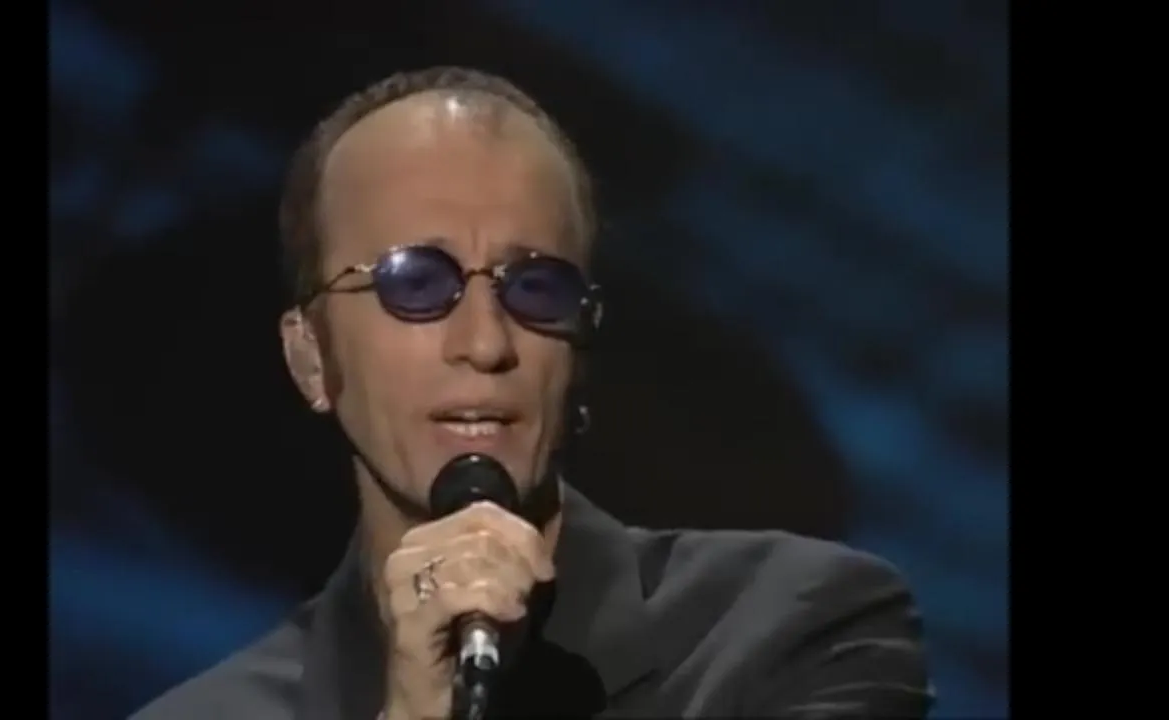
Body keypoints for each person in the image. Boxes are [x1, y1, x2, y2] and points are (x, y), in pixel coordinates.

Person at [131, 66, 934, 720]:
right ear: (310, 358)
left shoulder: (800, 629)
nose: (486, 343)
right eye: (416, 284)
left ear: (580, 350)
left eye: (535, 289)